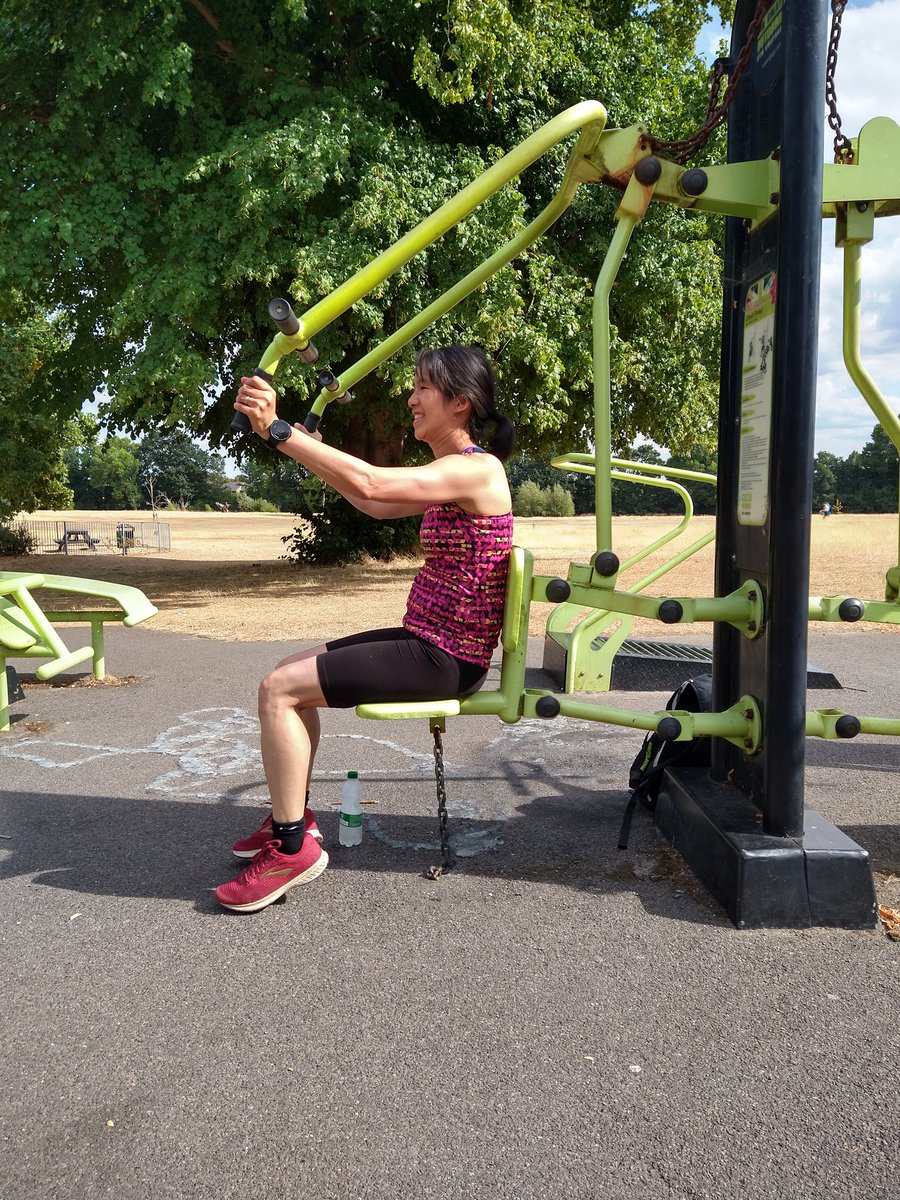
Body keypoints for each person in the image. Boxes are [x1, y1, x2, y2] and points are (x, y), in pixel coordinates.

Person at [216, 345, 516, 913]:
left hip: (444, 658)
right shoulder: (451, 473)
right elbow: (369, 500)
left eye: (423, 387)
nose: (411, 398)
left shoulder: (477, 468)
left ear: (460, 403)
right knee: (285, 676)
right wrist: (282, 439)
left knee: (278, 690)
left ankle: (289, 850)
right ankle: (293, 821)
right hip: (429, 643)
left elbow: (374, 485)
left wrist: (280, 429)